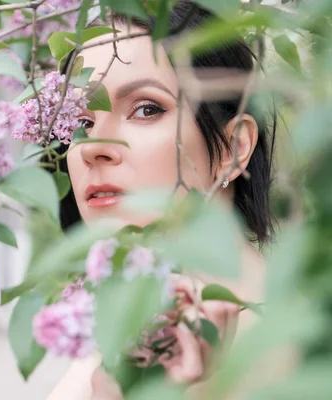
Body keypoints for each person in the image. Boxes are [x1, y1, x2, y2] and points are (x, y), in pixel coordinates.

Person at [46, 1, 277, 398]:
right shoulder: (130, 325)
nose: (92, 148)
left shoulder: (295, 347)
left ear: (233, 148)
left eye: (146, 109)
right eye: (82, 122)